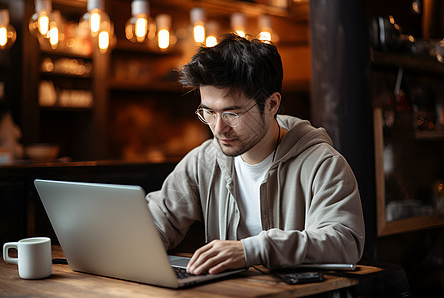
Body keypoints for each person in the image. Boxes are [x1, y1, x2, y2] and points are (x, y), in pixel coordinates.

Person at [145, 33, 365, 275]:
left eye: (233, 114)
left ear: (272, 105)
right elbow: (155, 219)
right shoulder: (203, 161)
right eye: (209, 112)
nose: (218, 128)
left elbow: (345, 242)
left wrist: (252, 250)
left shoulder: (323, 164)